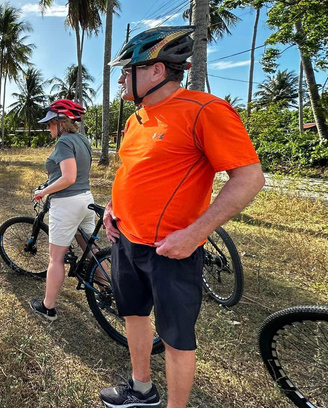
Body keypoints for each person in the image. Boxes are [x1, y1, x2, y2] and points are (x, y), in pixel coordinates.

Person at [98, 26, 265, 408]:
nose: (122, 77)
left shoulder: (204, 109)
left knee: (176, 337)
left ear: (156, 71)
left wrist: (195, 233)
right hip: (126, 239)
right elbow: (132, 172)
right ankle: (141, 389)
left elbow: (249, 178)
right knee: (134, 315)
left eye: (128, 69)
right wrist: (113, 208)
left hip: (172, 249)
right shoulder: (135, 119)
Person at [29, 99, 96, 322]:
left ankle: (48, 308)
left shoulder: (64, 142)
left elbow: (69, 177)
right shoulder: (82, 140)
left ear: (61, 122)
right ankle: (108, 286)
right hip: (86, 199)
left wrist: (44, 191)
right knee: (91, 249)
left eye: (50, 123)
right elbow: (75, 173)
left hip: (67, 203)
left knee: (55, 258)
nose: (47, 127)